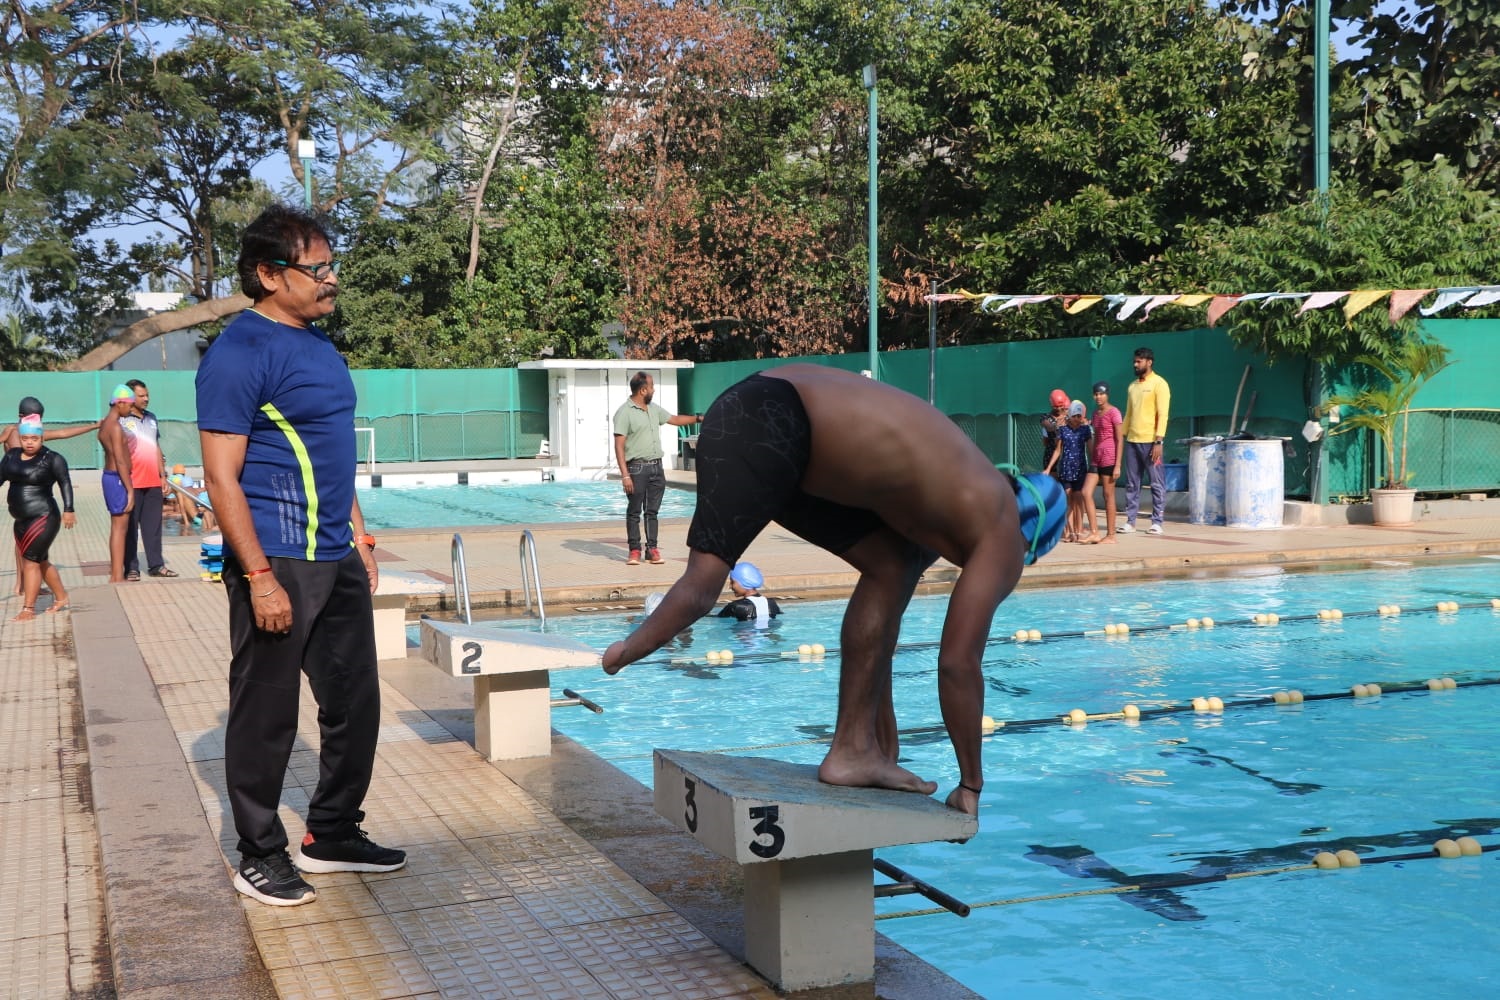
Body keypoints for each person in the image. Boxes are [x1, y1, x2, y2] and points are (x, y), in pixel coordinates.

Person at [601, 365, 1066, 816]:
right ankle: (623, 651)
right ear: (1032, 541)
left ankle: (856, 750)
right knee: (703, 582)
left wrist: (886, 742)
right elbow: (958, 664)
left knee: (889, 566)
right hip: (774, 419)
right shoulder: (1006, 527)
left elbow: (888, 614)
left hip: (767, 405)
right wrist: (970, 784)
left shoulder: (951, 495)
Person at [197, 202, 405, 907]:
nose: (330, 278)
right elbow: (220, 476)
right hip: (276, 557)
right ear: (267, 274)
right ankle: (258, 853)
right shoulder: (238, 353)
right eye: (315, 268)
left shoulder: (319, 344)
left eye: (329, 264)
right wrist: (257, 576)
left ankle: (333, 832)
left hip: (335, 553)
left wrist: (360, 534)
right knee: (267, 712)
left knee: (356, 702)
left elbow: (329, 452)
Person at [612, 371, 701, 565]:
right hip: (636, 468)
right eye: (651, 386)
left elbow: (675, 419)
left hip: (656, 468)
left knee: (652, 512)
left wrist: (698, 419)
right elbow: (619, 445)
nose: (654, 389)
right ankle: (634, 550)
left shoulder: (653, 409)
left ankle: (651, 549)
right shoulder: (624, 412)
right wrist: (625, 476)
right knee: (634, 511)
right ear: (643, 390)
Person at [1, 416, 75, 620]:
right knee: (40, 560)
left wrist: (69, 509)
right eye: (25, 438)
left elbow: (65, 483)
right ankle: (61, 597)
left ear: (42, 438)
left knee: (31, 561)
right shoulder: (11, 456)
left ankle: (29, 609)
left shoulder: (53, 458)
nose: (29, 442)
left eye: (34, 438)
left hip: (44, 516)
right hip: (20, 520)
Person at [120, 378, 177, 578]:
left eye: (147, 395)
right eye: (141, 395)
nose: (146, 399)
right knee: (130, 529)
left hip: (153, 481)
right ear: (130, 397)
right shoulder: (121, 420)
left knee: (153, 527)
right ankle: (132, 567)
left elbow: (156, 447)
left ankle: (156, 565)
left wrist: (163, 475)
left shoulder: (152, 418)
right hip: (131, 482)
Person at [1119, 347, 1171, 535]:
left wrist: (1159, 441)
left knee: (1156, 482)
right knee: (1132, 483)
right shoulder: (1132, 386)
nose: (1135, 364)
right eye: (1134, 361)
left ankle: (1157, 521)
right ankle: (1130, 521)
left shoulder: (1159, 384)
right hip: (1133, 441)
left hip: (1151, 442)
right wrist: (1122, 435)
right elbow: (1129, 414)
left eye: (1139, 361)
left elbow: (1163, 414)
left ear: (1149, 362)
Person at [98, 386, 137, 583]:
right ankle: (116, 575)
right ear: (120, 403)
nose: (131, 409)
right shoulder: (114, 426)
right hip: (117, 478)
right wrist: (130, 490)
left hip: (111, 477)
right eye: (130, 405)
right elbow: (120, 460)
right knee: (120, 528)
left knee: (117, 527)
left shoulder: (105, 424)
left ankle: (116, 573)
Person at [1044, 400, 1093, 542]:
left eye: (1080, 416)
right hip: (1066, 469)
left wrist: (1094, 467)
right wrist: (1048, 468)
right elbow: (1058, 450)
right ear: (1070, 416)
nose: (1078, 419)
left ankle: (1078, 530)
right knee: (1069, 499)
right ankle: (1071, 531)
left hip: (1080, 469)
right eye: (1075, 416)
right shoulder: (1063, 430)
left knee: (1078, 500)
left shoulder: (1085, 430)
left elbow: (1090, 449)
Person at [1086, 381, 1124, 543]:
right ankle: (1094, 532)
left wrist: (1118, 465)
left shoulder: (1114, 412)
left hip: (1110, 457)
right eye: (1096, 394)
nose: (1098, 397)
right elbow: (1094, 435)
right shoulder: (1095, 414)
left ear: (1107, 394)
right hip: (1096, 458)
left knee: (1108, 495)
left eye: (1101, 394)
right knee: (1085, 492)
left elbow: (1119, 439)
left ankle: (1111, 535)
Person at [0, 396, 99, 450]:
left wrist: (94, 426)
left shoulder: (37, 433)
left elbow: (63, 433)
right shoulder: (11, 431)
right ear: (21, 416)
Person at [165, 463, 217, 533]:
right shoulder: (185, 490)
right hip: (200, 514)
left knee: (208, 530)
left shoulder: (179, 491)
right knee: (209, 524)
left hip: (196, 518)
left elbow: (182, 508)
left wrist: (186, 522)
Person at [1040, 388, 1069, 473]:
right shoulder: (1045, 418)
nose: (1059, 408)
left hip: (1068, 457)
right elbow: (1049, 426)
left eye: (1061, 406)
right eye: (1056, 406)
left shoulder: (1070, 418)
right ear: (1051, 404)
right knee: (1053, 483)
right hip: (1051, 455)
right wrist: (1058, 428)